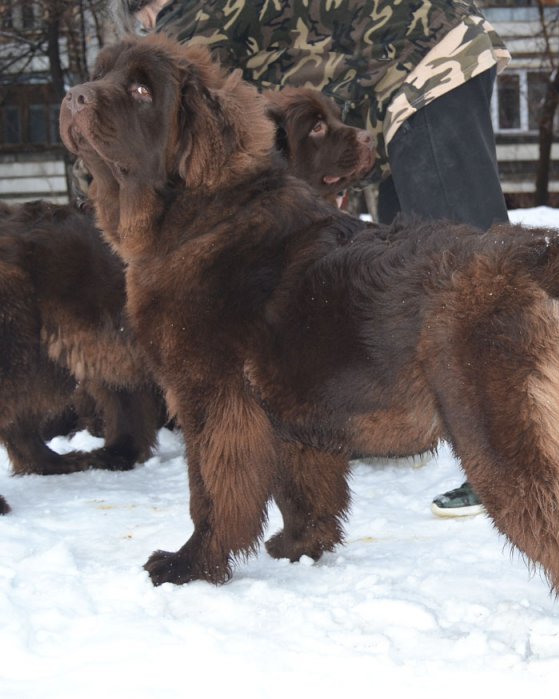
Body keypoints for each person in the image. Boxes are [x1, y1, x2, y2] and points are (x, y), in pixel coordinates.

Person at [113, 0, 510, 517]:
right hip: (403, 79)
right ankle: (415, 420)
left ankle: (508, 452)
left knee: (473, 270)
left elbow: (167, 101)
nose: (149, 28)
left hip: (424, 62)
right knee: (418, 269)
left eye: (143, 18)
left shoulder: (192, 15)